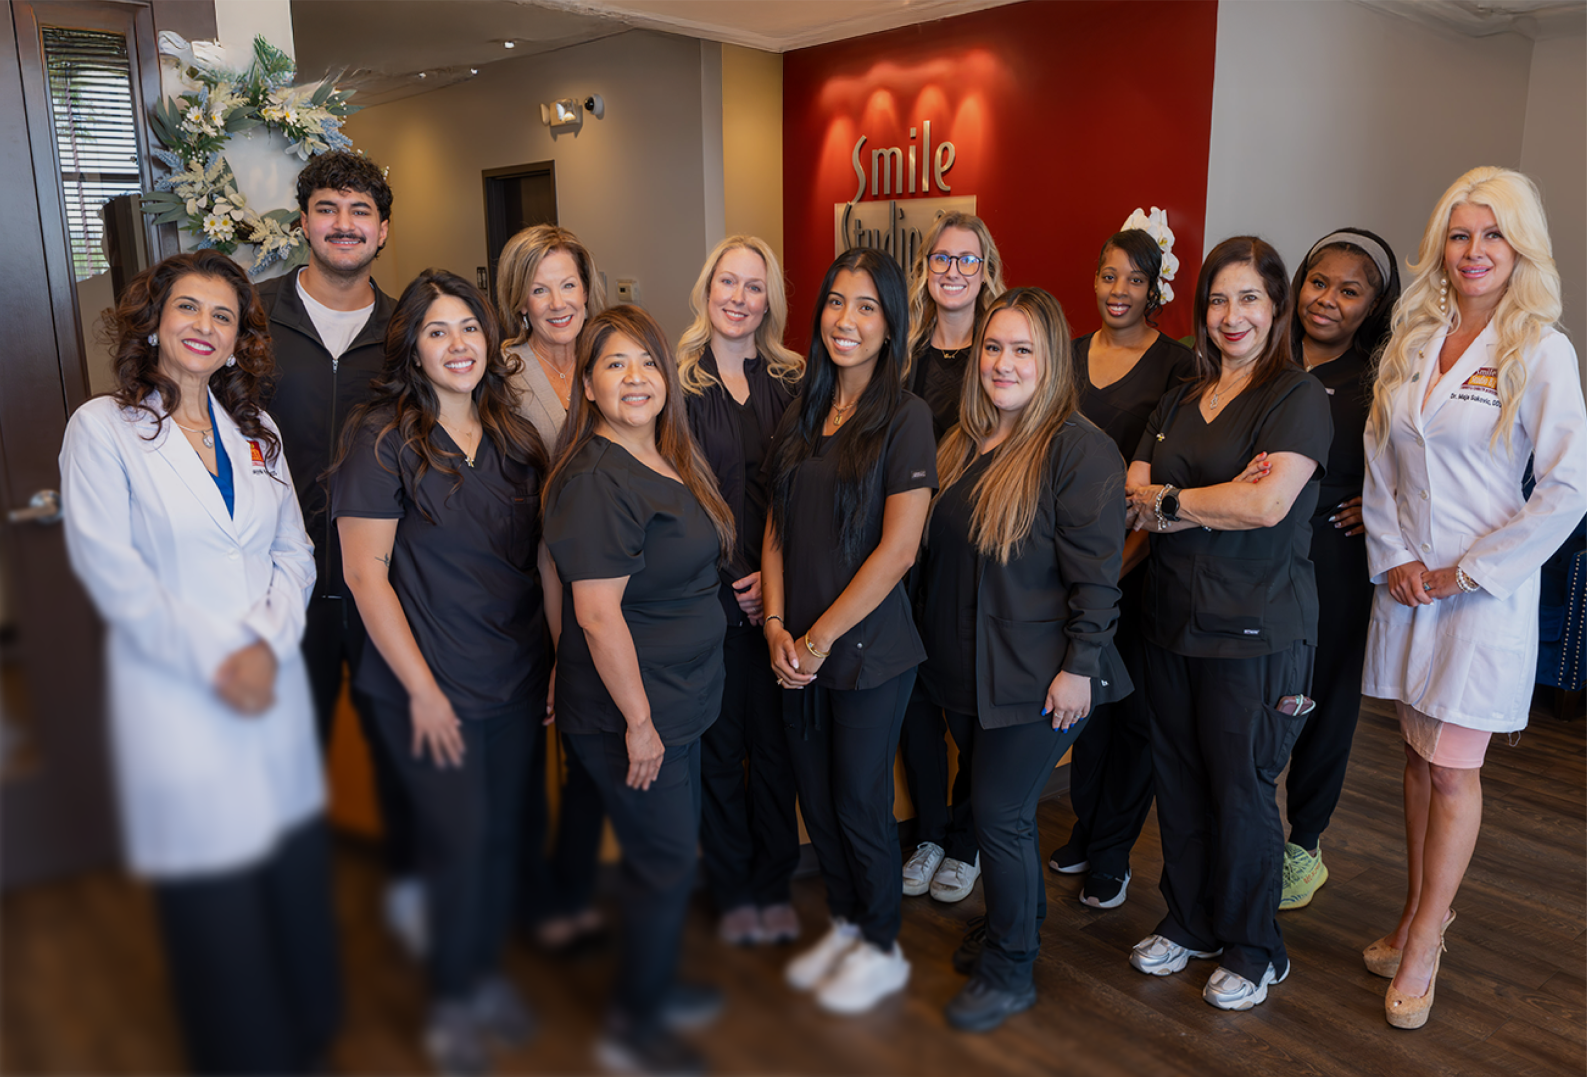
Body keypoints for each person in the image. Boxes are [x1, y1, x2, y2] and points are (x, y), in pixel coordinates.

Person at [60, 249, 340, 1077]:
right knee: (215, 909)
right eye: (189, 309)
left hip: (269, 686)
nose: (204, 328)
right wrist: (227, 661)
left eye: (223, 316)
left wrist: (263, 646)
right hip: (182, 696)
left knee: (288, 885)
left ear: (237, 338)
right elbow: (115, 577)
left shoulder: (258, 431)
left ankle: (308, 1043)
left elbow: (296, 553)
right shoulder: (102, 429)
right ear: (153, 318)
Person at [1360, 167, 1587, 1029]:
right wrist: (1394, 557)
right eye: (1459, 234)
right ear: (1440, 245)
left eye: (1492, 235)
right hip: (1412, 587)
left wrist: (1464, 571)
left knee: (1453, 770)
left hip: (1481, 598)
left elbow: (1566, 490)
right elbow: (1381, 458)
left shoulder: (1540, 349)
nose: (1473, 251)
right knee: (1417, 761)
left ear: (1518, 246)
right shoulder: (1414, 336)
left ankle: (1424, 942)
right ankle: (1421, 908)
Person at [332, 270, 549, 1076]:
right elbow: (365, 574)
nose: (458, 345)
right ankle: (453, 1000)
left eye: (469, 328)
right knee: (455, 843)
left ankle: (484, 975)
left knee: (497, 839)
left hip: (514, 672)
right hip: (425, 685)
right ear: (413, 349)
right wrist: (424, 691)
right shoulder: (380, 435)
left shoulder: (512, 432)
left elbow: (538, 564)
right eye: (437, 331)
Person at [1124, 237, 1331, 1011]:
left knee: (1240, 789)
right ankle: (1189, 920)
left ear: (1274, 308)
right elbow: (1130, 490)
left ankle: (1254, 947)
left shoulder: (1295, 397)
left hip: (1257, 629)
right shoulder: (1182, 393)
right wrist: (1211, 498)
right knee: (1176, 778)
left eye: (1248, 298)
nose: (1230, 314)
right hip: (1171, 620)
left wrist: (1178, 502)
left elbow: (1265, 504)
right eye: (1217, 298)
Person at [916, 287, 1131, 1031]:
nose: (1002, 363)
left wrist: (1079, 663)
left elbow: (1097, 575)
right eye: (992, 347)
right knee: (991, 808)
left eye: (1022, 350)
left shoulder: (1077, 447)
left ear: (1051, 363)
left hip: (1040, 676)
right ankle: (1015, 924)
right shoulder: (961, 438)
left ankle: (1012, 968)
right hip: (966, 673)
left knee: (1000, 815)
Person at [542, 305, 737, 1077]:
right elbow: (594, 612)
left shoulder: (660, 454)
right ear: (586, 384)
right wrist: (640, 722)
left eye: (646, 363)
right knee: (662, 861)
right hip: (634, 711)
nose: (634, 378)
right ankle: (634, 1022)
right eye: (614, 364)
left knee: (668, 854)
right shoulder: (595, 475)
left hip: (676, 698)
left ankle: (649, 986)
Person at [255, 150, 422, 952]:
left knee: (399, 746)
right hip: (278, 584)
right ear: (303, 222)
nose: (344, 225)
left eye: (360, 213)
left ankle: (411, 894)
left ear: (382, 230)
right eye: (328, 209)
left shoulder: (405, 332)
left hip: (383, 583)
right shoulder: (251, 320)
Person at [764, 248, 937, 1014]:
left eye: (866, 306)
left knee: (859, 802)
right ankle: (843, 925)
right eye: (836, 302)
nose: (846, 320)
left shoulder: (905, 416)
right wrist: (774, 624)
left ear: (891, 321)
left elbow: (898, 551)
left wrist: (815, 639)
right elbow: (773, 525)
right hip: (793, 647)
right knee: (818, 797)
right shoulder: (804, 404)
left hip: (865, 652)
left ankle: (878, 945)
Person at [1049, 228, 1196, 910]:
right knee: (1083, 712)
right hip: (1072, 562)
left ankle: (1112, 851)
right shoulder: (1069, 356)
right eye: (1108, 276)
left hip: (1137, 568)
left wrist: (1112, 568)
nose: (1117, 291)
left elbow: (1157, 481)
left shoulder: (1177, 366)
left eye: (1132, 280)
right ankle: (1084, 826)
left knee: (1131, 714)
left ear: (1153, 289)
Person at [677, 235, 804, 946]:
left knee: (776, 749)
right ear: (707, 288)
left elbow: (802, 492)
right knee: (721, 751)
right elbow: (682, 495)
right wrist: (731, 584)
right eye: (728, 281)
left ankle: (772, 883)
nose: (738, 297)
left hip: (781, 599)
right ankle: (731, 888)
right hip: (711, 597)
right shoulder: (676, 380)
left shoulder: (792, 378)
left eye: (753, 286)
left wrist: (773, 585)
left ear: (768, 301)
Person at [494, 223, 612, 955]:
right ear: (519, 299)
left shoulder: (612, 353)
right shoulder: (497, 371)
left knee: (594, 748)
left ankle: (568, 889)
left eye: (567, 282)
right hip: (519, 581)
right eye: (539, 287)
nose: (557, 300)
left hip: (603, 580)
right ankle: (531, 897)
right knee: (527, 750)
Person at [1277, 227, 1401, 910]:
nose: (1326, 299)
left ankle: (1304, 845)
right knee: (1252, 699)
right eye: (1317, 282)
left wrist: (1378, 505)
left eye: (1348, 291)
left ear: (1373, 304)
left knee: (1323, 703)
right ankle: (1244, 835)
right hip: (1255, 552)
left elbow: (1422, 467)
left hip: (1333, 558)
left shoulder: (1381, 379)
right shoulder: (1261, 359)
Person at [897, 212, 1007, 905]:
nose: (953, 271)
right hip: (903, 550)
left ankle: (965, 838)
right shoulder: (902, 351)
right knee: (915, 698)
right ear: (925, 267)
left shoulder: (998, 353)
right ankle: (931, 832)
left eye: (968, 261)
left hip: (969, 548)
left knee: (967, 704)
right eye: (942, 258)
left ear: (986, 270)